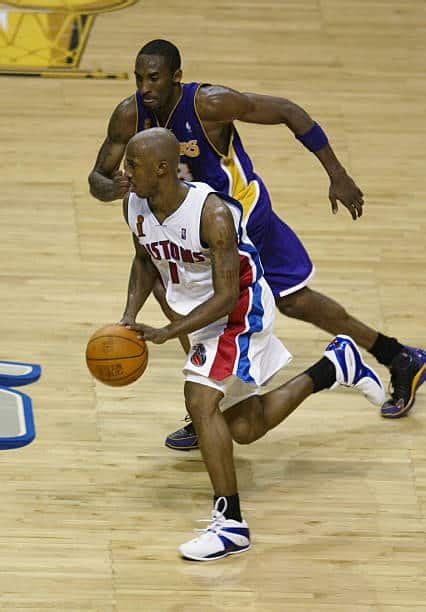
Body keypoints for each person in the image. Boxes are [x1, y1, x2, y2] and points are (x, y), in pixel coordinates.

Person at [89, 39, 426, 449]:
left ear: (176, 76)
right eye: (139, 78)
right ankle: (207, 403)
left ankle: (394, 355)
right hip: (190, 228)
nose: (144, 87)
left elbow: (288, 111)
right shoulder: (130, 114)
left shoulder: (209, 104)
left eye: (154, 78)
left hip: (244, 219)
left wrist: (337, 174)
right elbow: (97, 177)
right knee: (175, 294)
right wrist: (110, 188)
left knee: (291, 301)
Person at [119, 127, 385, 561]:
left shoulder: (212, 215)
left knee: (199, 399)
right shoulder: (135, 203)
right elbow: (144, 259)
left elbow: (227, 296)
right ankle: (335, 366)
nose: (124, 173)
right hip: (196, 312)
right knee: (244, 428)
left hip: (239, 311)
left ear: (162, 168)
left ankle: (231, 524)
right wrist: (129, 315)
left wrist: (170, 331)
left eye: (132, 164)